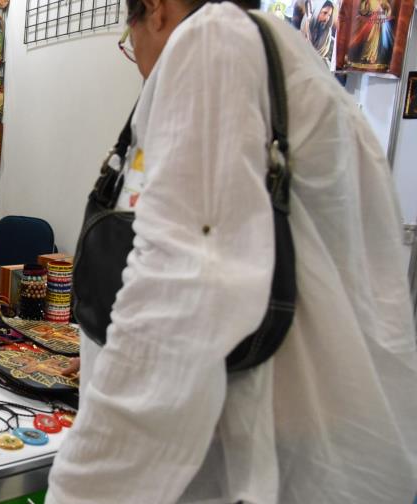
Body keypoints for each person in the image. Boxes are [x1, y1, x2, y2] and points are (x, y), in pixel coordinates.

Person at [46, 0, 417, 502]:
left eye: (127, 40)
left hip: (252, 461)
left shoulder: (211, 44)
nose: (135, 59)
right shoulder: (290, 63)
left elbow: (177, 308)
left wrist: (80, 488)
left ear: (155, 9)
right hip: (315, 445)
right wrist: (104, 353)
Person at [300, 0, 335, 67]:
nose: (326, 19)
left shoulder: (327, 33)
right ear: (317, 11)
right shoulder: (305, 25)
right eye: (324, 13)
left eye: (329, 16)